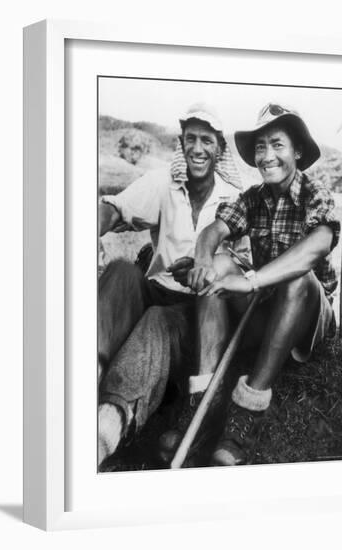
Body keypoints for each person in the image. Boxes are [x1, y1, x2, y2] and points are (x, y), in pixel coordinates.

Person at [185, 103, 340, 467]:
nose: (267, 156)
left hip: (310, 321)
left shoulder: (316, 194)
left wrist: (251, 281)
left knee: (297, 276)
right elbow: (214, 230)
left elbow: (315, 248)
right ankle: (201, 403)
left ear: (297, 152)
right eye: (260, 147)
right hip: (270, 309)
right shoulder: (252, 198)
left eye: (277, 145)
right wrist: (205, 259)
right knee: (220, 264)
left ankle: (248, 407)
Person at [97, 103, 249, 466]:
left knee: (158, 321)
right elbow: (116, 209)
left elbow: (245, 263)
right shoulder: (163, 182)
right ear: (182, 143)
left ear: (220, 149)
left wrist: (209, 267)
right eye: (191, 139)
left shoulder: (234, 197)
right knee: (121, 272)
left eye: (207, 141)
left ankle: (106, 426)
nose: (198, 148)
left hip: (197, 312)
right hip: (157, 288)